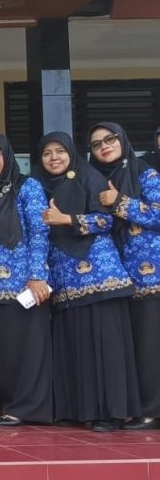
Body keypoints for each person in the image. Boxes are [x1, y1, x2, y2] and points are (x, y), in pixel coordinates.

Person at [38, 132, 138, 432]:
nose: (54, 158)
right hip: (66, 282)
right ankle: (77, 410)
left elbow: (107, 220)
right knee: (76, 346)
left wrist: (67, 219)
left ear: (71, 153)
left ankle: (110, 413)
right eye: (47, 153)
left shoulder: (89, 177)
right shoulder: (41, 186)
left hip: (100, 277)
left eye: (60, 151)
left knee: (104, 347)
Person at [0, 134, 52, 427]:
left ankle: (28, 408)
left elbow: (39, 232)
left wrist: (37, 276)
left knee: (28, 349)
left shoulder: (27, 187)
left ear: (7, 155)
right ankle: (8, 405)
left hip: (25, 286)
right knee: (1, 352)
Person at [88, 122, 160, 430]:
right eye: (96, 144)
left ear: (123, 140)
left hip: (151, 275)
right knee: (132, 348)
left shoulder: (144, 172)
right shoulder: (94, 178)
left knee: (150, 345)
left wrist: (119, 202)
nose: (104, 146)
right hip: (116, 278)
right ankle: (137, 408)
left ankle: (152, 411)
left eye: (110, 139)